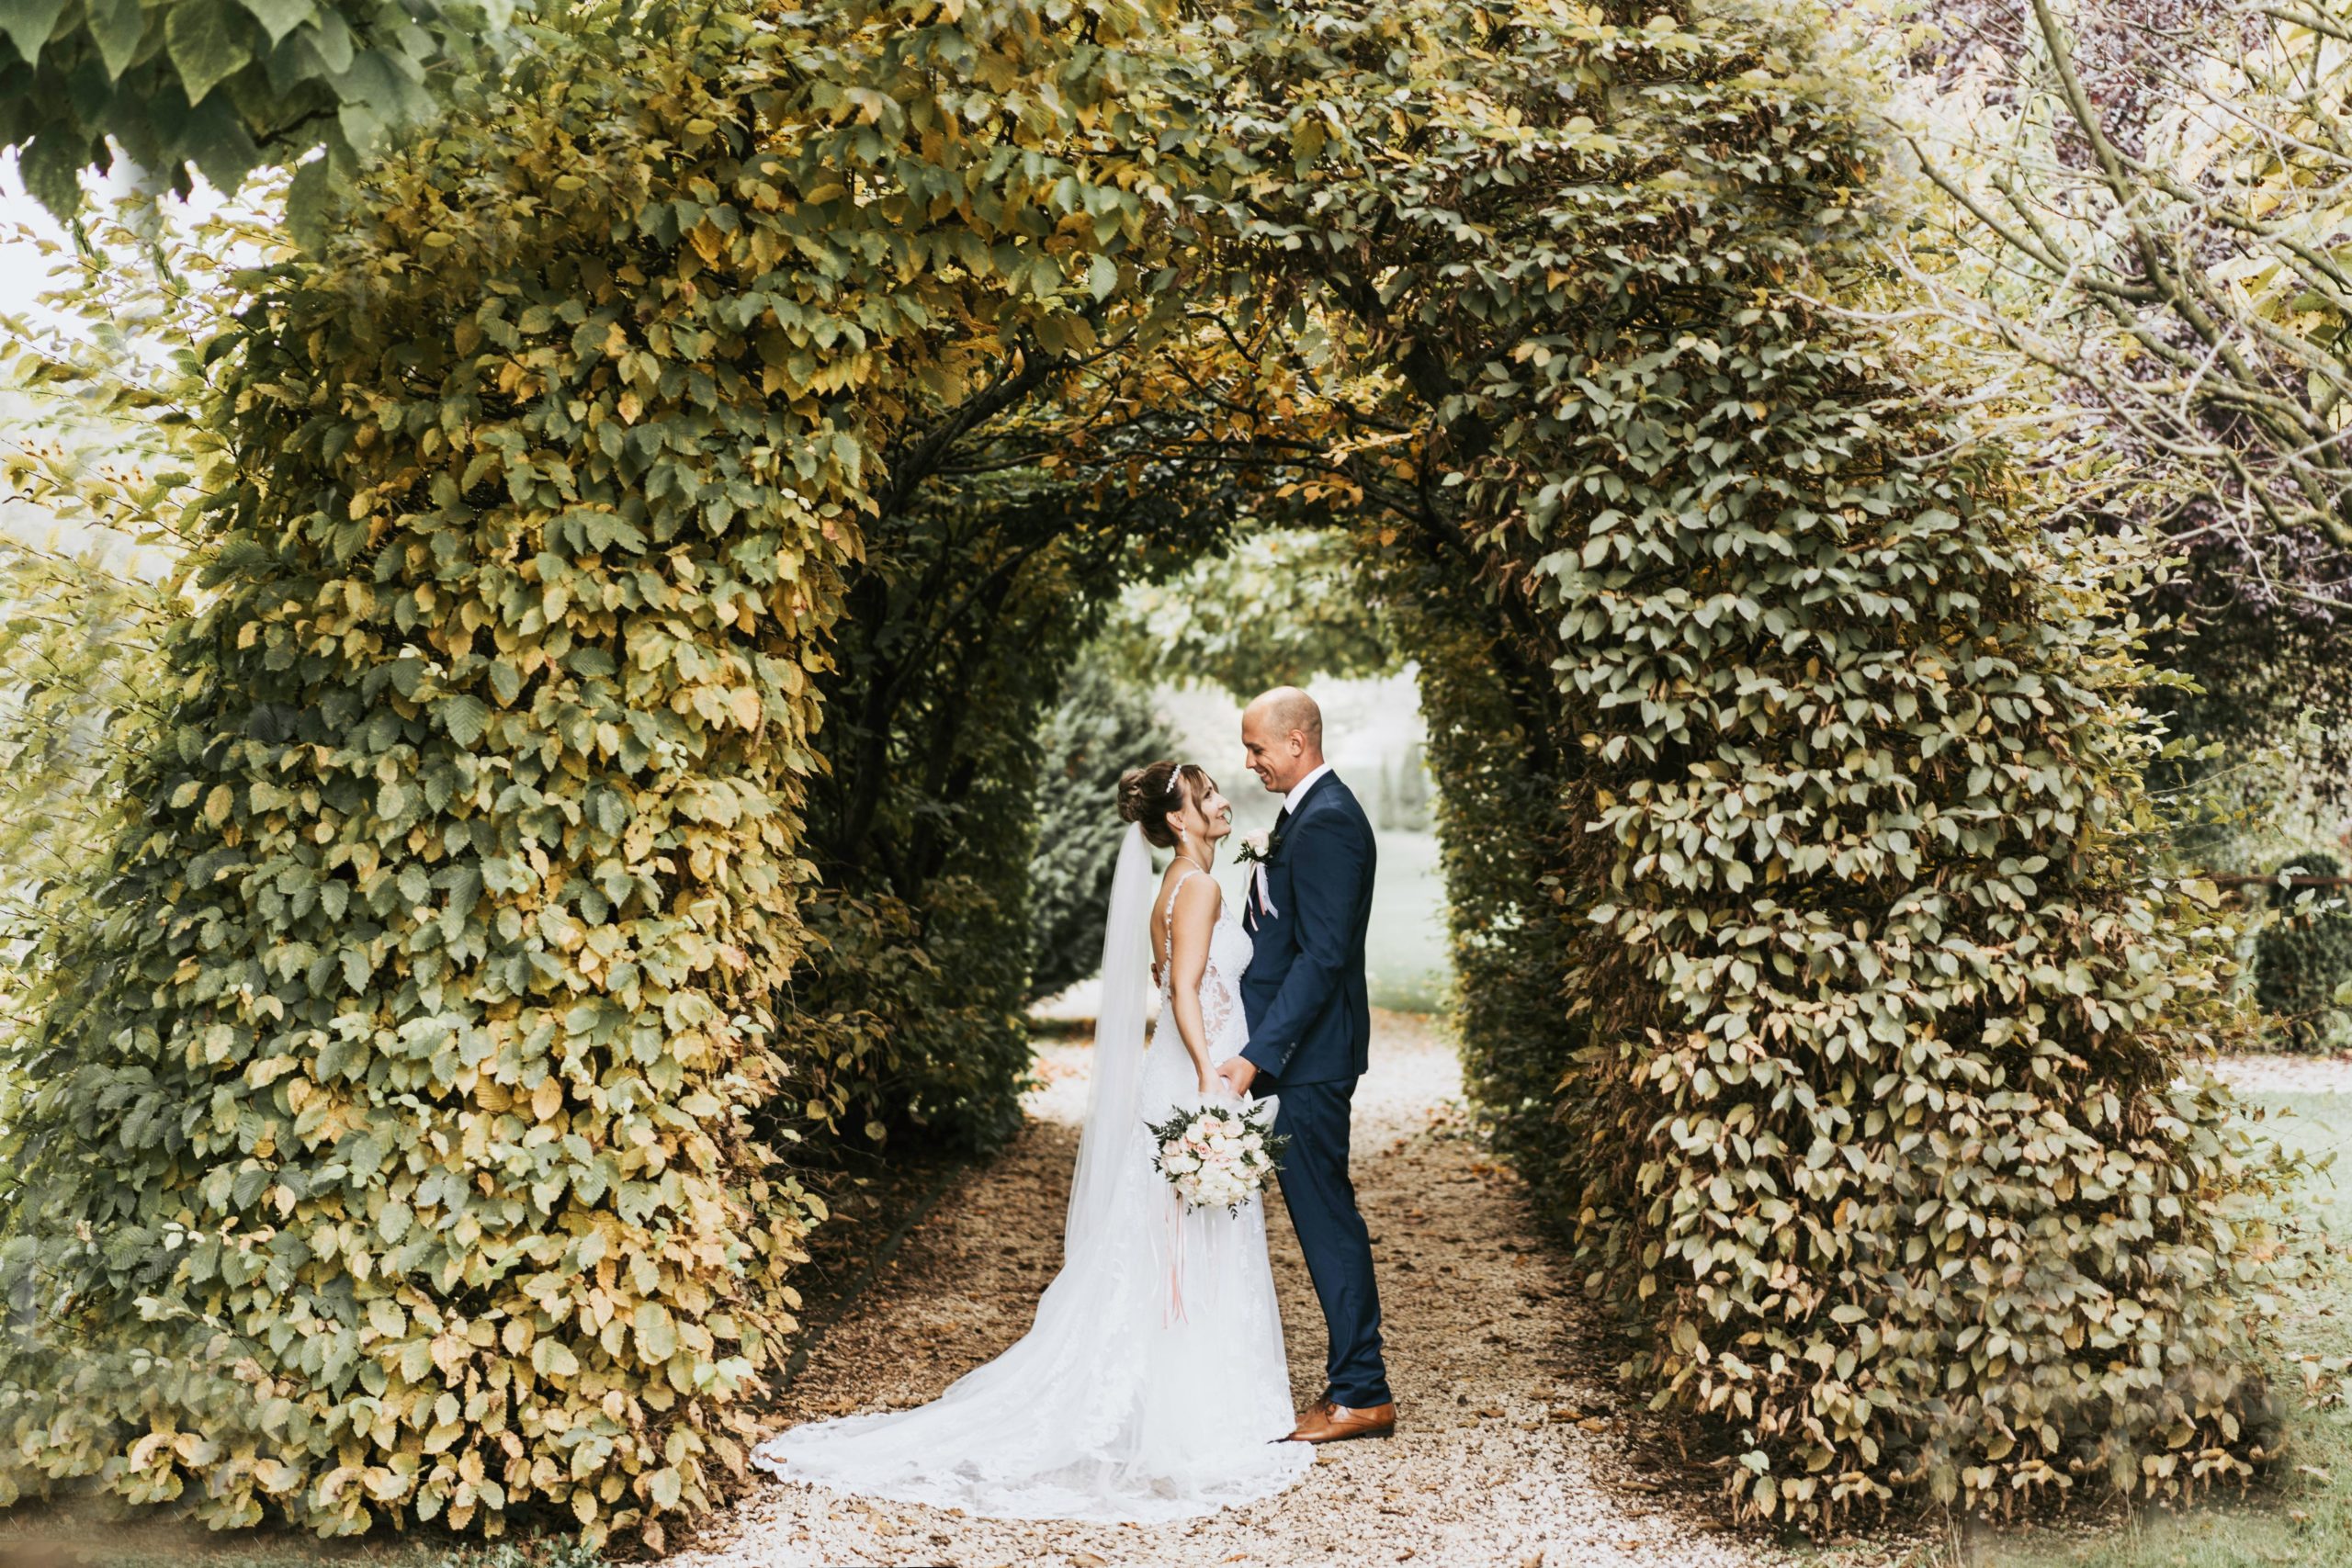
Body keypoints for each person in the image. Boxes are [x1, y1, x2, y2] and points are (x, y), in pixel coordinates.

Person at [750, 761, 1312, 1521]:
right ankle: (1193, 1410)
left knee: (1170, 1236)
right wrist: (1212, 1073)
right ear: (1179, 819)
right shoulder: (1200, 888)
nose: (1220, 800)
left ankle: (1182, 1395)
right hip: (1195, 1073)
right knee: (1187, 1235)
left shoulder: (1175, 884)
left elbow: (1178, 979)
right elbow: (1182, 989)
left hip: (1179, 1071)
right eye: (1205, 794)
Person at [1216, 686, 1395, 1442]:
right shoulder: (1306, 815)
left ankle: (1361, 1391)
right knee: (1321, 1214)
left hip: (1309, 1060)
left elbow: (1322, 957)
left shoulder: (1328, 822)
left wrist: (1257, 1055)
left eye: (1256, 747)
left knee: (1326, 1219)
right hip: (1299, 1055)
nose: (1249, 762)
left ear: (1297, 741)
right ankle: (1357, 1384)